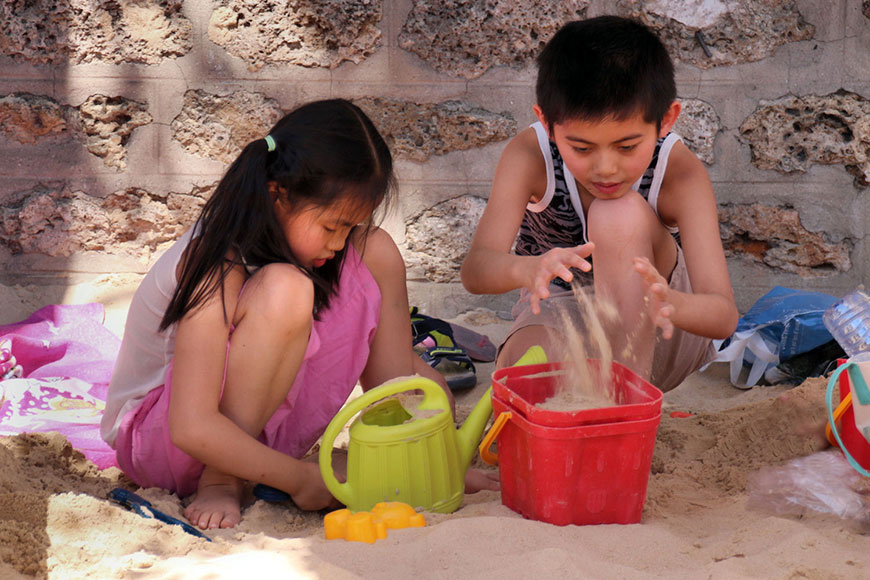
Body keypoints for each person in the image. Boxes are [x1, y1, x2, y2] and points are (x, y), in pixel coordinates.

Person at [101, 99, 494, 531]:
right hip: (167, 440)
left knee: (377, 251)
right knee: (287, 288)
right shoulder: (216, 260)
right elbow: (191, 427)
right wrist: (298, 477)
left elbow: (395, 381)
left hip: (259, 430)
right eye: (331, 227)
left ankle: (255, 469)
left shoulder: (330, 251)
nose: (340, 244)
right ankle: (223, 479)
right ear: (278, 196)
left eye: (349, 228)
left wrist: (437, 454)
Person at [461, 16, 739, 390]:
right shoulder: (530, 156)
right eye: (581, 148)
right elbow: (476, 270)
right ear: (547, 124)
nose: (606, 169)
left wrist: (670, 302)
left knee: (616, 212)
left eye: (627, 147)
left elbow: (722, 315)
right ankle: (595, 409)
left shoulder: (678, 172)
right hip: (565, 312)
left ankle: (624, 411)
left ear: (666, 120)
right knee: (523, 372)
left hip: (660, 332)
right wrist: (528, 269)